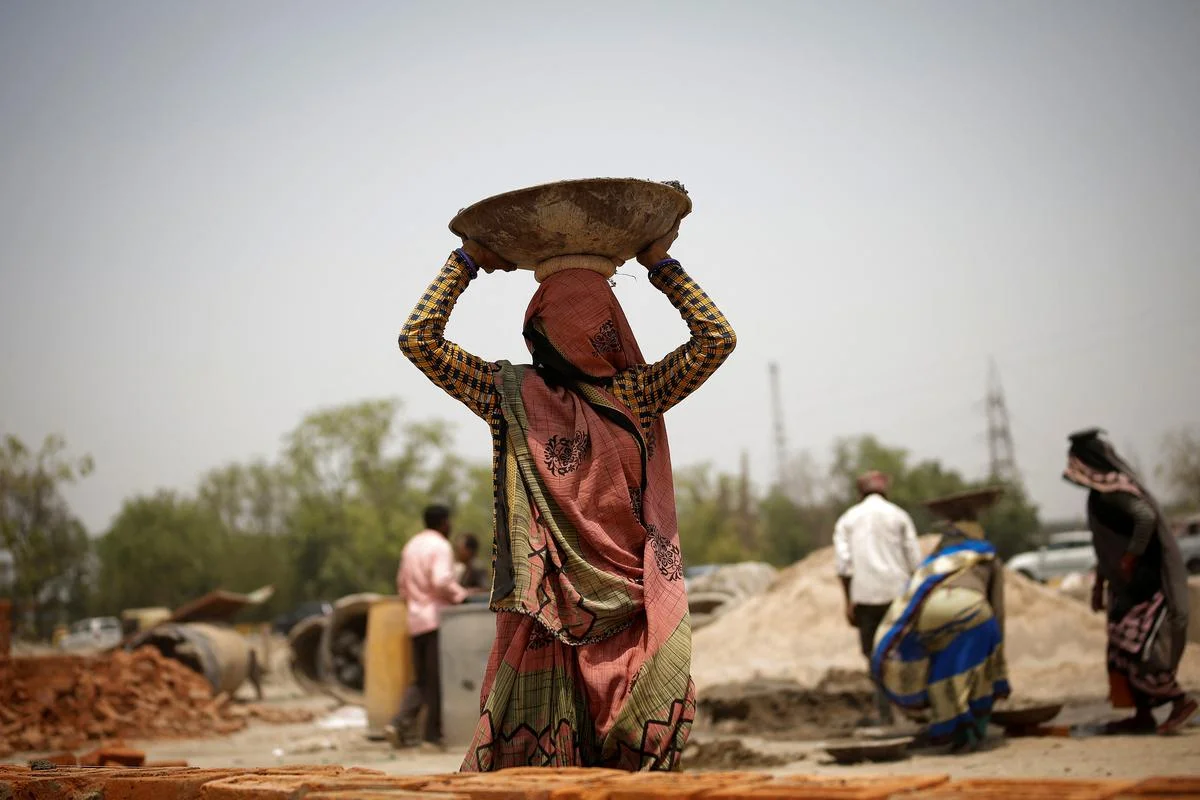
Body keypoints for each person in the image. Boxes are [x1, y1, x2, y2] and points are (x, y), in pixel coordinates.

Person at [397, 224, 735, 771]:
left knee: (547, 771)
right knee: (636, 769)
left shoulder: (506, 394)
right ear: (610, 328)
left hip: (548, 613)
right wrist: (661, 265)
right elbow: (716, 339)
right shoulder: (639, 394)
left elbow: (419, 339)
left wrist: (467, 261)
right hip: (632, 615)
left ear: (537, 331)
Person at [1063, 428, 1197, 735]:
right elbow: (1105, 545)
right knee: (1121, 652)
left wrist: (1131, 556)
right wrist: (1100, 584)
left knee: (1139, 650)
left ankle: (1179, 701)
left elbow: (1145, 518)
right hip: (1123, 588)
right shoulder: (1099, 498)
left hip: (1144, 585)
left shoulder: (1117, 491)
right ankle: (1142, 714)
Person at [870, 488, 1010, 753]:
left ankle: (947, 729)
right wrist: (997, 658)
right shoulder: (987, 556)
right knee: (974, 671)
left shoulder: (936, 561)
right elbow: (997, 608)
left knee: (943, 671)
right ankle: (969, 733)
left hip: (930, 615)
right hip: (971, 609)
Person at [832, 470, 922, 726]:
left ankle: (886, 715)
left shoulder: (848, 520)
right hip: (899, 596)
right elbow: (915, 561)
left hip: (865, 598)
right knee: (902, 652)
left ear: (860, 492)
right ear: (886, 490)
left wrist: (848, 601)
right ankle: (911, 710)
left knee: (874, 657)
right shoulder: (899, 515)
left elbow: (844, 566)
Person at [387, 504, 468, 751]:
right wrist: (461, 596)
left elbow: (401, 585)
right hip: (436, 620)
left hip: (415, 619)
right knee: (437, 680)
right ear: (444, 522)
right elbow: (441, 580)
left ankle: (399, 723)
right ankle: (432, 737)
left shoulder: (411, 546)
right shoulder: (440, 546)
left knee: (421, 679)